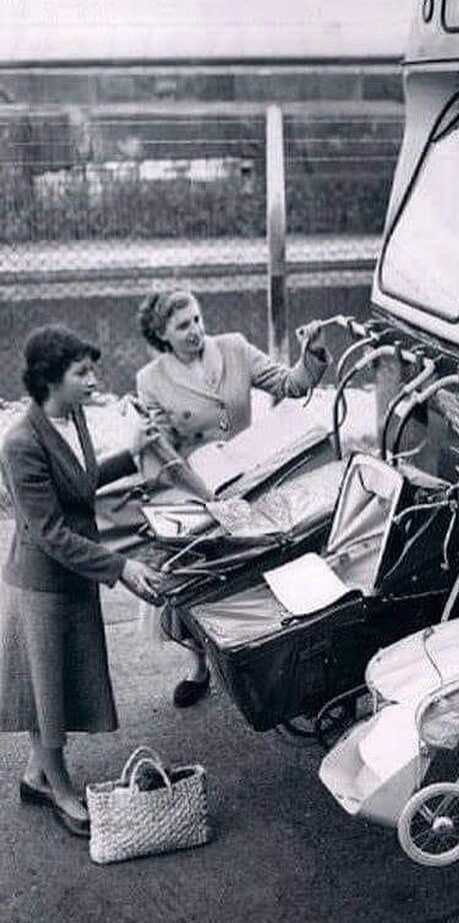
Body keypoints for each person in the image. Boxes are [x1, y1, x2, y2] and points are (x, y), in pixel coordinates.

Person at [0, 326, 161, 838]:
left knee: (53, 683)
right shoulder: (21, 443)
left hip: (76, 572)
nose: (94, 380)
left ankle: (34, 775)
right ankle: (59, 788)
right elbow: (48, 533)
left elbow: (81, 482)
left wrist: (132, 452)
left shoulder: (74, 417)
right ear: (49, 379)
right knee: (47, 689)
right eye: (82, 373)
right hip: (44, 581)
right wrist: (123, 567)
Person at [134, 289, 329, 707]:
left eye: (198, 319)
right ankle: (199, 665)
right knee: (195, 576)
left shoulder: (234, 347)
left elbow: (289, 384)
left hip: (253, 475)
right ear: (161, 334)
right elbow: (162, 451)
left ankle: (269, 653)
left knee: (265, 565)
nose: (196, 331)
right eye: (183, 325)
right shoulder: (150, 379)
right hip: (198, 486)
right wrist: (152, 443)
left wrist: (309, 354)